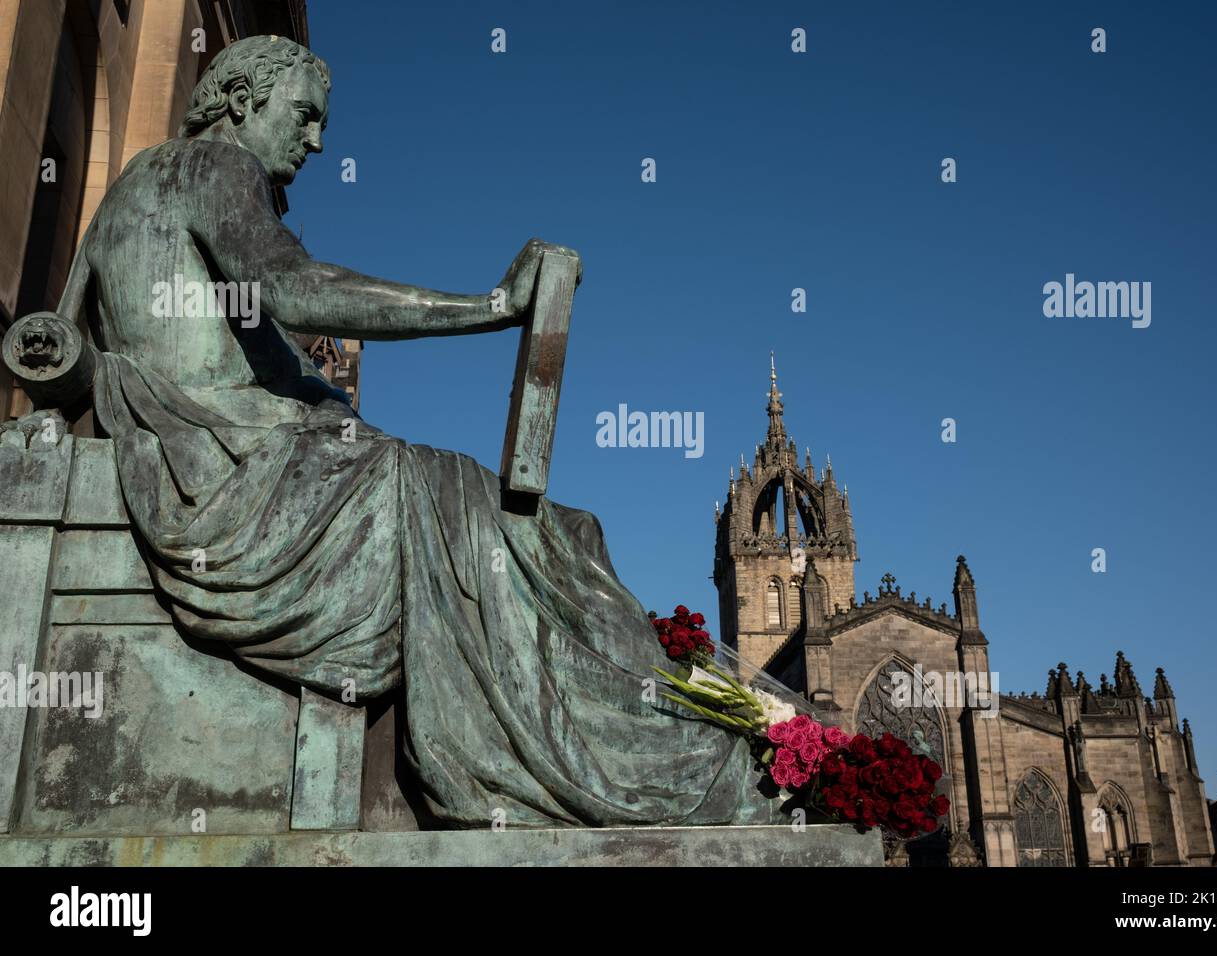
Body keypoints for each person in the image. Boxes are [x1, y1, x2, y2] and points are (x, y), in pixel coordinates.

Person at [49, 35, 776, 828]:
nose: (317, 141)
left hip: (243, 455)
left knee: (550, 531)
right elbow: (293, 289)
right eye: (303, 116)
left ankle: (685, 727)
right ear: (240, 100)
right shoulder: (216, 168)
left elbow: (67, 338)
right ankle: (651, 767)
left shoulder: (133, 184)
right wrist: (490, 309)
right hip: (233, 472)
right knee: (501, 529)